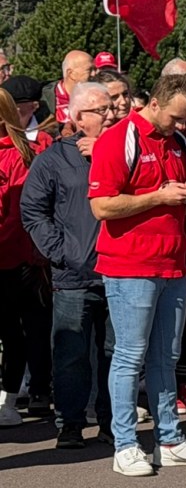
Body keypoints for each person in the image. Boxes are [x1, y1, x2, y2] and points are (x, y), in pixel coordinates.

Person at [89, 73, 186, 475]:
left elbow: (169, 202)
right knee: (130, 356)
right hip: (129, 266)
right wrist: (159, 196)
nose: (182, 126)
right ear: (155, 104)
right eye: (176, 118)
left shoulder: (178, 143)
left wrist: (184, 200)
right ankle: (125, 443)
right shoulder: (119, 139)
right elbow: (102, 206)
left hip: (172, 263)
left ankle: (170, 437)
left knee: (166, 356)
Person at [20, 82, 116, 445]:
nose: (110, 115)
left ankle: (111, 423)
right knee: (71, 354)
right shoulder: (53, 160)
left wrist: (106, 150)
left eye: (112, 108)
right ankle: (71, 424)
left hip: (120, 270)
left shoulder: (120, 149)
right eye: (100, 110)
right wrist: (60, 251)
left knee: (114, 354)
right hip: (73, 274)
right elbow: (32, 210)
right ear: (76, 117)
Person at [0, 90, 52, 425]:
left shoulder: (25, 154)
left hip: (22, 257)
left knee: (27, 329)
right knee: (13, 331)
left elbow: (22, 213)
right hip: (17, 255)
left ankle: (25, 394)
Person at [52, 50, 92, 127]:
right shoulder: (46, 99)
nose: (95, 73)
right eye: (89, 70)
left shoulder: (98, 96)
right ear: (71, 74)